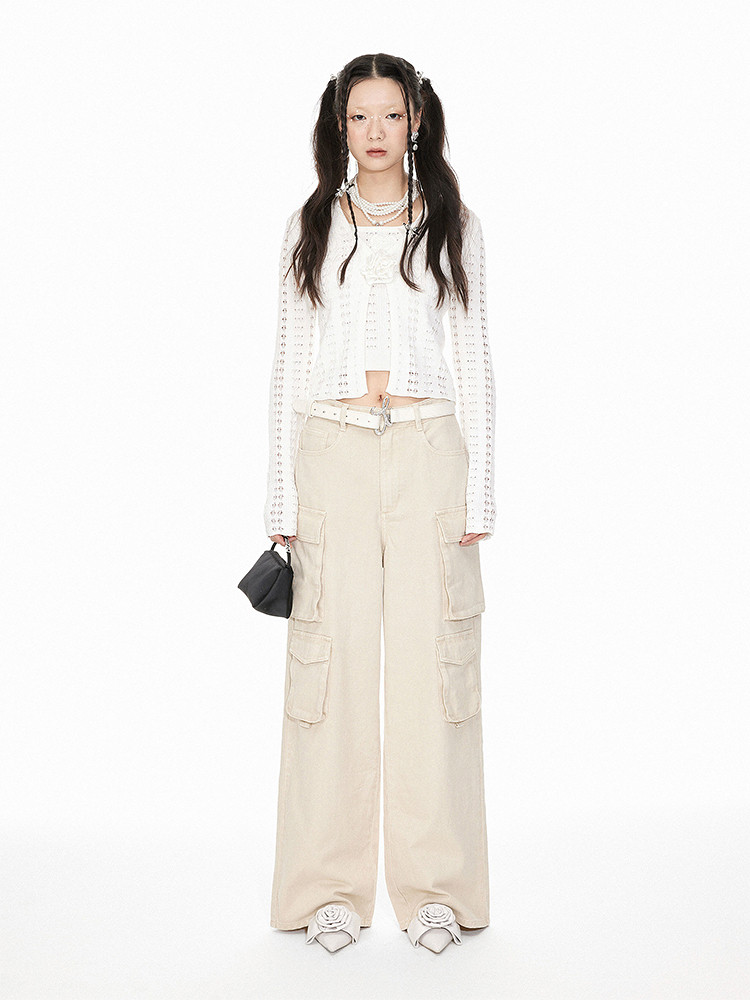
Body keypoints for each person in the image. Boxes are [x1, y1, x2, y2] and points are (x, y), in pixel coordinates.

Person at [263, 53, 496, 953]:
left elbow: (476, 355)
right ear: (339, 126)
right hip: (332, 451)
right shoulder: (311, 226)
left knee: (437, 667)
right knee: (329, 671)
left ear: (417, 123)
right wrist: (278, 495)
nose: (374, 132)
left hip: (430, 451)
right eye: (359, 116)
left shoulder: (454, 225)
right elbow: (288, 362)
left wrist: (482, 489)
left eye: (390, 115)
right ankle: (327, 887)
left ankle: (437, 888)